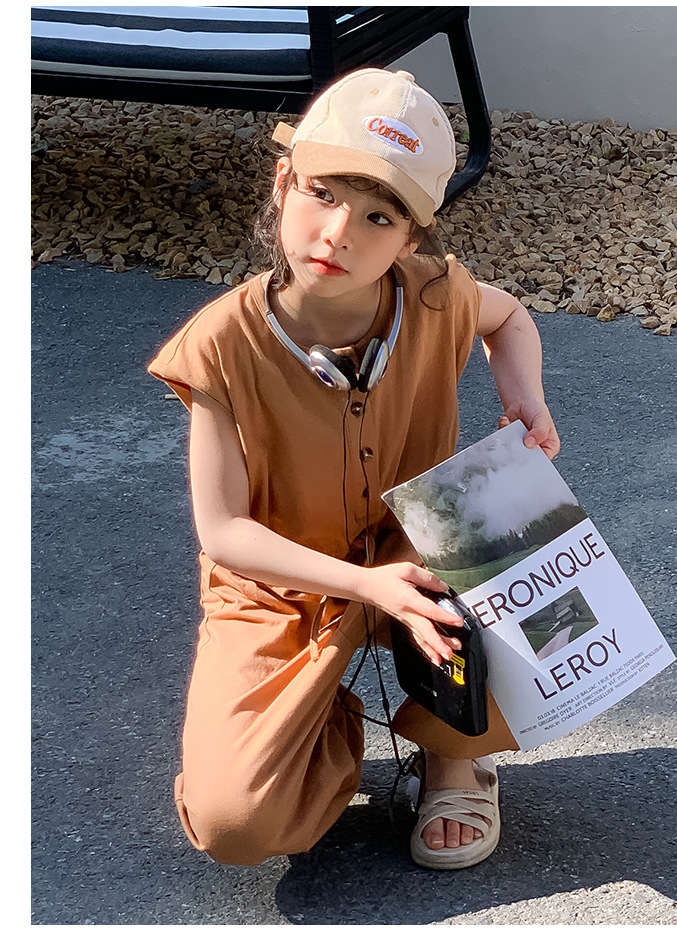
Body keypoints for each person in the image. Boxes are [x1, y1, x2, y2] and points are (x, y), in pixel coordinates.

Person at [148, 68, 560, 871]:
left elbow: (508, 317)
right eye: (323, 194)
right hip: (280, 586)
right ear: (283, 183)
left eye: (379, 216)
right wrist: (366, 587)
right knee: (237, 825)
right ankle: (321, 721)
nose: (339, 232)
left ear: (412, 239)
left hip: (422, 546)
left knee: (509, 537)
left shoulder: (434, 295)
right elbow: (224, 532)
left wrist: (525, 399)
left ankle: (454, 754)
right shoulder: (221, 343)